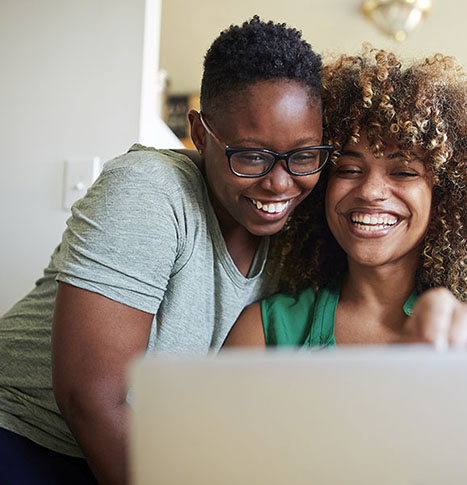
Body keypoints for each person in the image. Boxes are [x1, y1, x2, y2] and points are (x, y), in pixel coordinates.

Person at [0, 16, 331, 484]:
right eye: (251, 155)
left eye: (303, 155)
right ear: (200, 131)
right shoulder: (151, 190)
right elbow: (88, 399)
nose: (279, 183)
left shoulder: (298, 237)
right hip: (24, 434)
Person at [224, 47, 467, 349]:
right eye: (348, 169)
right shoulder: (264, 332)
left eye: (404, 172)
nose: (369, 190)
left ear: (446, 194)